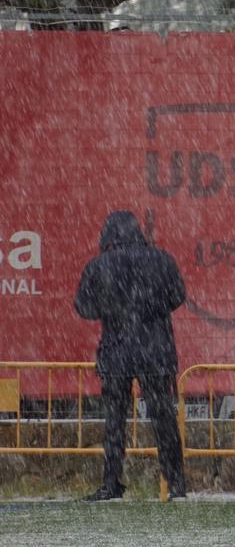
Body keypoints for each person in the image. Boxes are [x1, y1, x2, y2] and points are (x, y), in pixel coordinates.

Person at [73, 210, 188, 500]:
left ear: (110, 233)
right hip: (156, 350)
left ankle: (112, 483)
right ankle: (176, 483)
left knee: (115, 421)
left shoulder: (99, 265)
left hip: (116, 351)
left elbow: (83, 307)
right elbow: (177, 297)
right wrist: (148, 311)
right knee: (164, 418)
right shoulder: (162, 260)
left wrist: (113, 310)